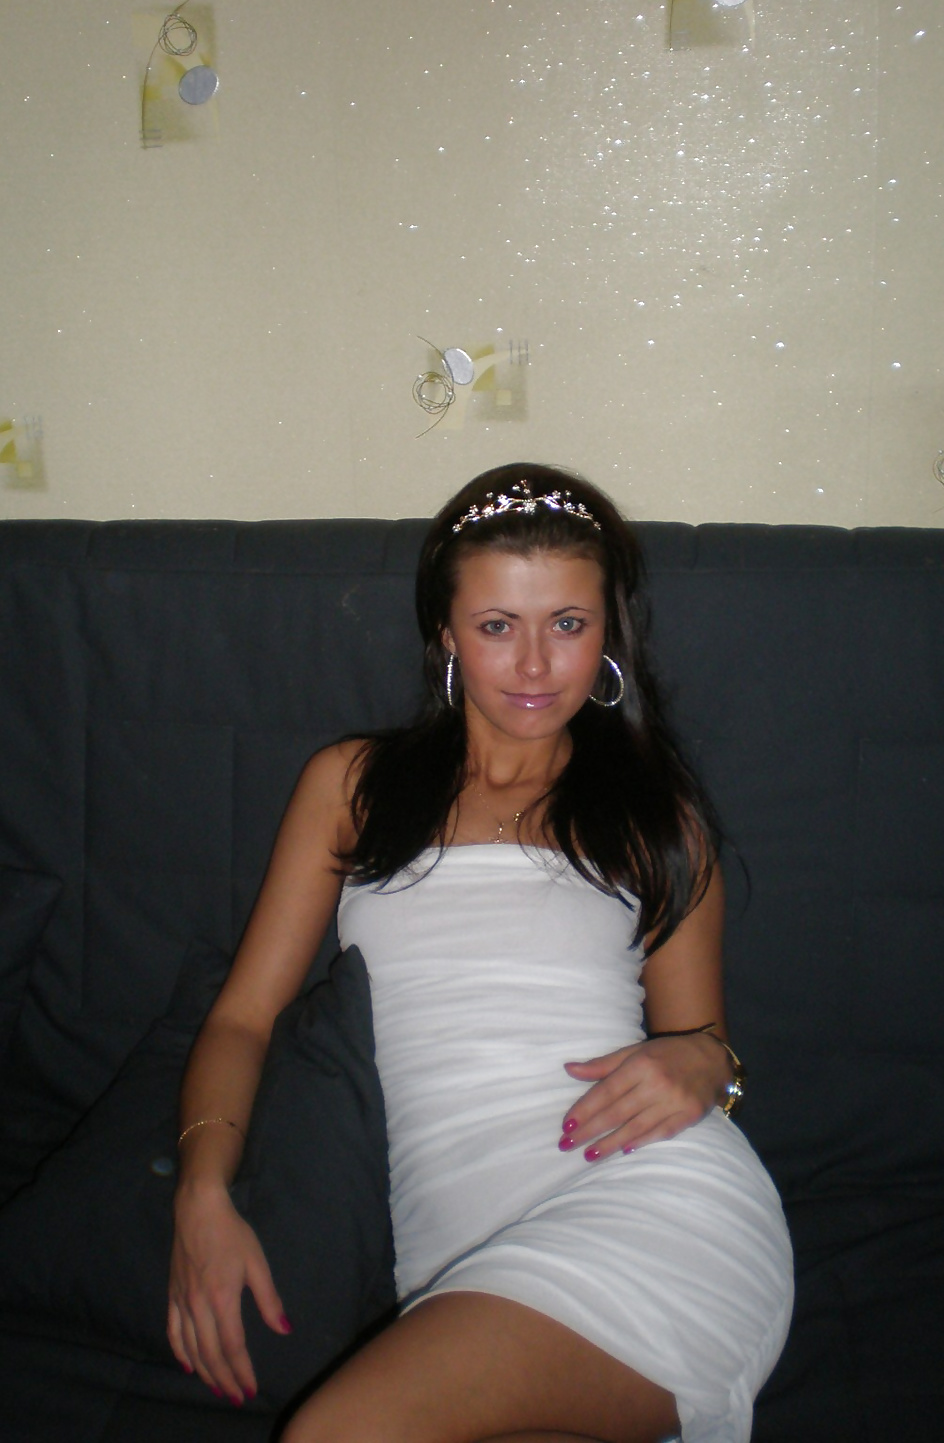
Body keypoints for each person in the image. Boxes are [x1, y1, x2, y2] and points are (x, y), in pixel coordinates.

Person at [168, 462, 794, 1443]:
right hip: (458, 1258)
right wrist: (202, 1194)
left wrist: (710, 1062)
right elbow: (244, 1020)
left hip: (655, 1211)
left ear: (609, 634)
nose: (536, 665)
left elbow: (707, 1054)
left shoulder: (655, 815)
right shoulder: (352, 786)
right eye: (499, 625)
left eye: (568, 624)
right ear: (447, 636)